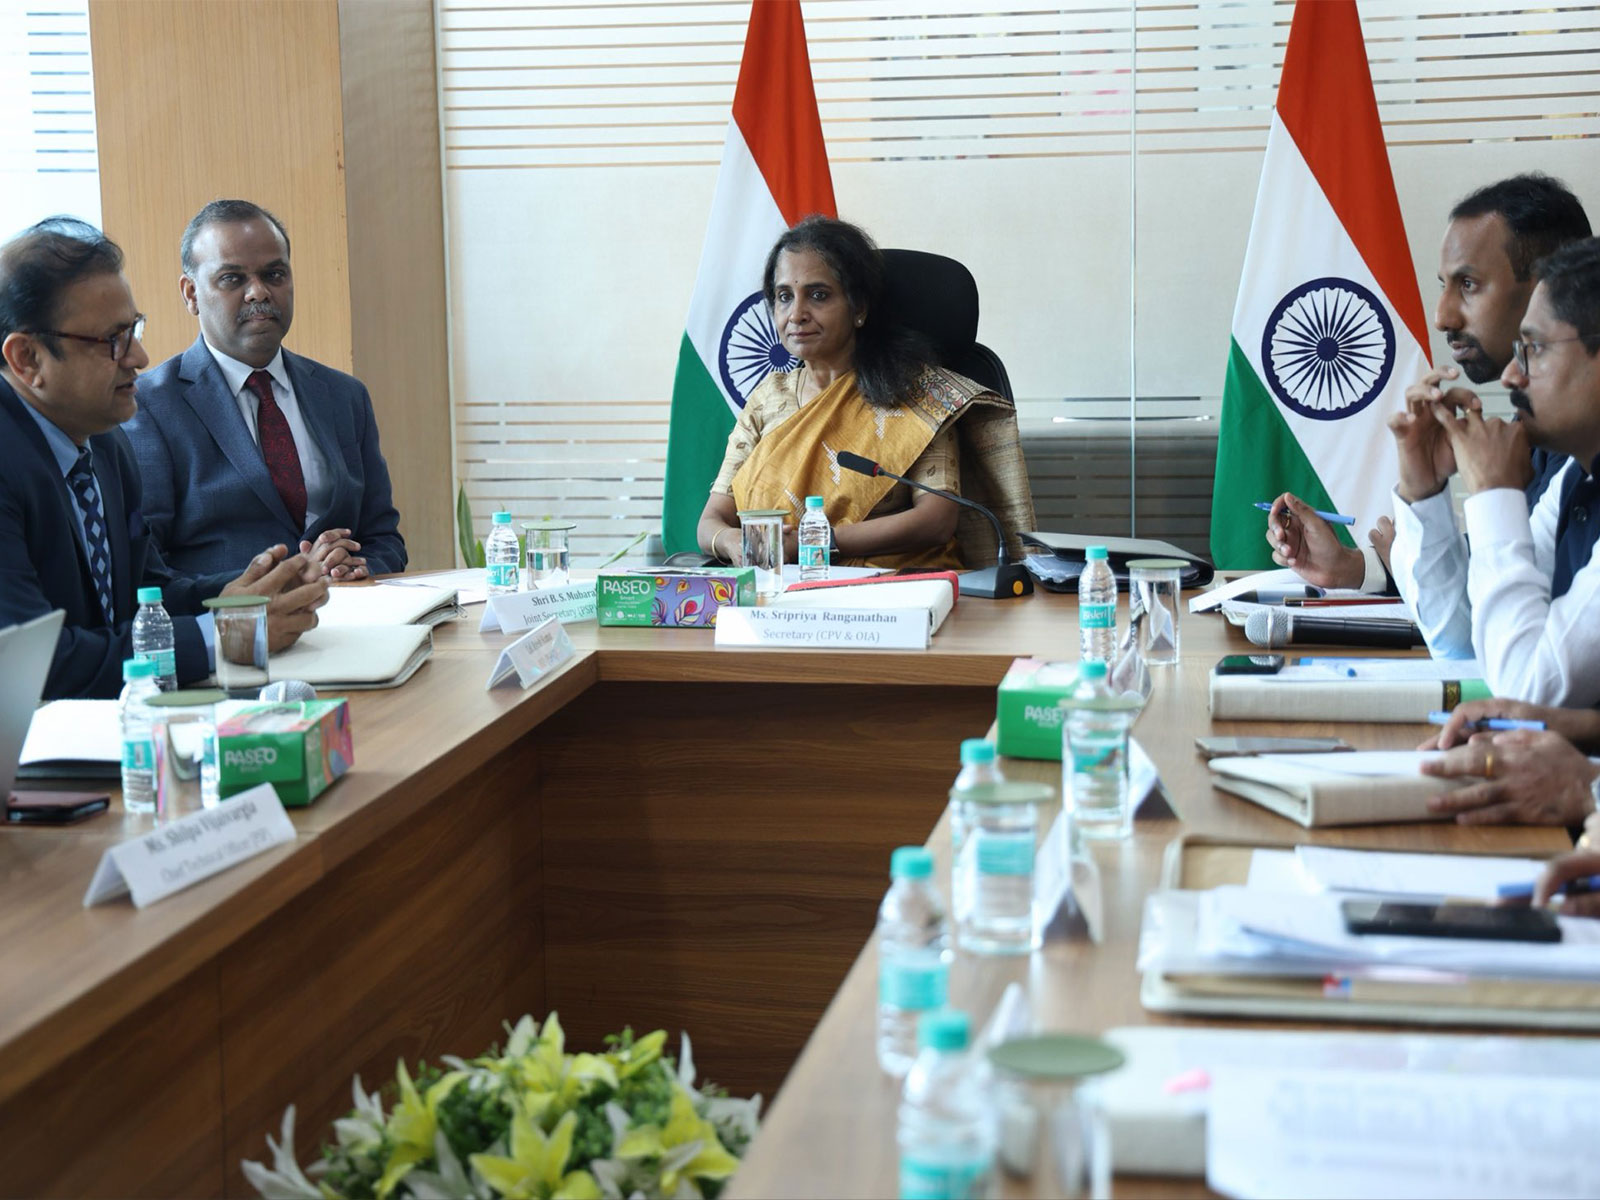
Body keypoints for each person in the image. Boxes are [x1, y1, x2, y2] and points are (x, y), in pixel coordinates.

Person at [0, 217, 326, 699]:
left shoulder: (105, 442)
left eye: (133, 329)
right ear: (26, 359)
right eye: (112, 340)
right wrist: (221, 636)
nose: (139, 356)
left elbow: (145, 593)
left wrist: (240, 594)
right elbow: (35, 664)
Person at [1265, 174, 1591, 591]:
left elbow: (1524, 612)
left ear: (1553, 283)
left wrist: (1417, 547)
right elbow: (1527, 561)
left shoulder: (1576, 431)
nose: (1442, 317)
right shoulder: (1547, 423)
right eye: (1445, 286)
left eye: (1468, 285)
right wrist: (1360, 568)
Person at [695, 216, 1033, 570]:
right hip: (779, 593)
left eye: (818, 295)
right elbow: (711, 520)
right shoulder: (768, 398)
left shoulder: (917, 393)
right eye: (783, 297)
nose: (796, 314)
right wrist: (733, 540)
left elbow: (936, 520)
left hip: (898, 593)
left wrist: (816, 544)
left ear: (858, 308)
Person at [124, 200, 406, 580]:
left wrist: (354, 567)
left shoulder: (344, 396)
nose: (258, 292)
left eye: (274, 275)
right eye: (232, 279)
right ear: (191, 293)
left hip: (350, 621)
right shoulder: (149, 406)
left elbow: (384, 538)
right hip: (233, 631)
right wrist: (281, 581)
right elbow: (145, 566)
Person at [1385, 236, 1600, 706]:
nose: (1511, 376)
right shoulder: (1575, 477)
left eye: (1535, 349)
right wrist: (1425, 491)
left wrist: (1494, 495)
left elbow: (1526, 690)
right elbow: (1463, 645)